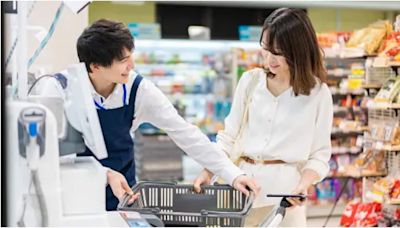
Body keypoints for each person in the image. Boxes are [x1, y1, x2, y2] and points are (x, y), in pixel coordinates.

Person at [36, 19, 260, 211]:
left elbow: (185, 133)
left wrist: (233, 174)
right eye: (123, 60)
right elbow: (53, 159)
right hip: (73, 197)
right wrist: (104, 174)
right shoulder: (58, 90)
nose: (131, 65)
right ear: (95, 67)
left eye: (130, 56)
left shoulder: (138, 90)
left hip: (124, 198)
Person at [194, 8, 333, 226]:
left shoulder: (318, 93)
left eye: (278, 53)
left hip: (285, 197)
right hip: (240, 190)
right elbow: (228, 137)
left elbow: (320, 154)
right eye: (265, 50)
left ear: (298, 50)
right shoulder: (250, 81)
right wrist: (208, 169)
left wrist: (304, 185)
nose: (269, 60)